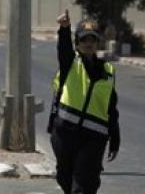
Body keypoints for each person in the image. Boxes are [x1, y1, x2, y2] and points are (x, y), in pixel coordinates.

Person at [48, 10, 120, 194]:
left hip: (93, 138)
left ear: (98, 43)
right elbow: (63, 49)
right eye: (84, 40)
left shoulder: (108, 71)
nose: (88, 44)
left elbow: (111, 107)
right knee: (64, 178)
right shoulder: (70, 63)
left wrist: (115, 136)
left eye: (93, 40)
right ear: (77, 43)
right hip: (64, 133)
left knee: (83, 184)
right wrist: (64, 29)